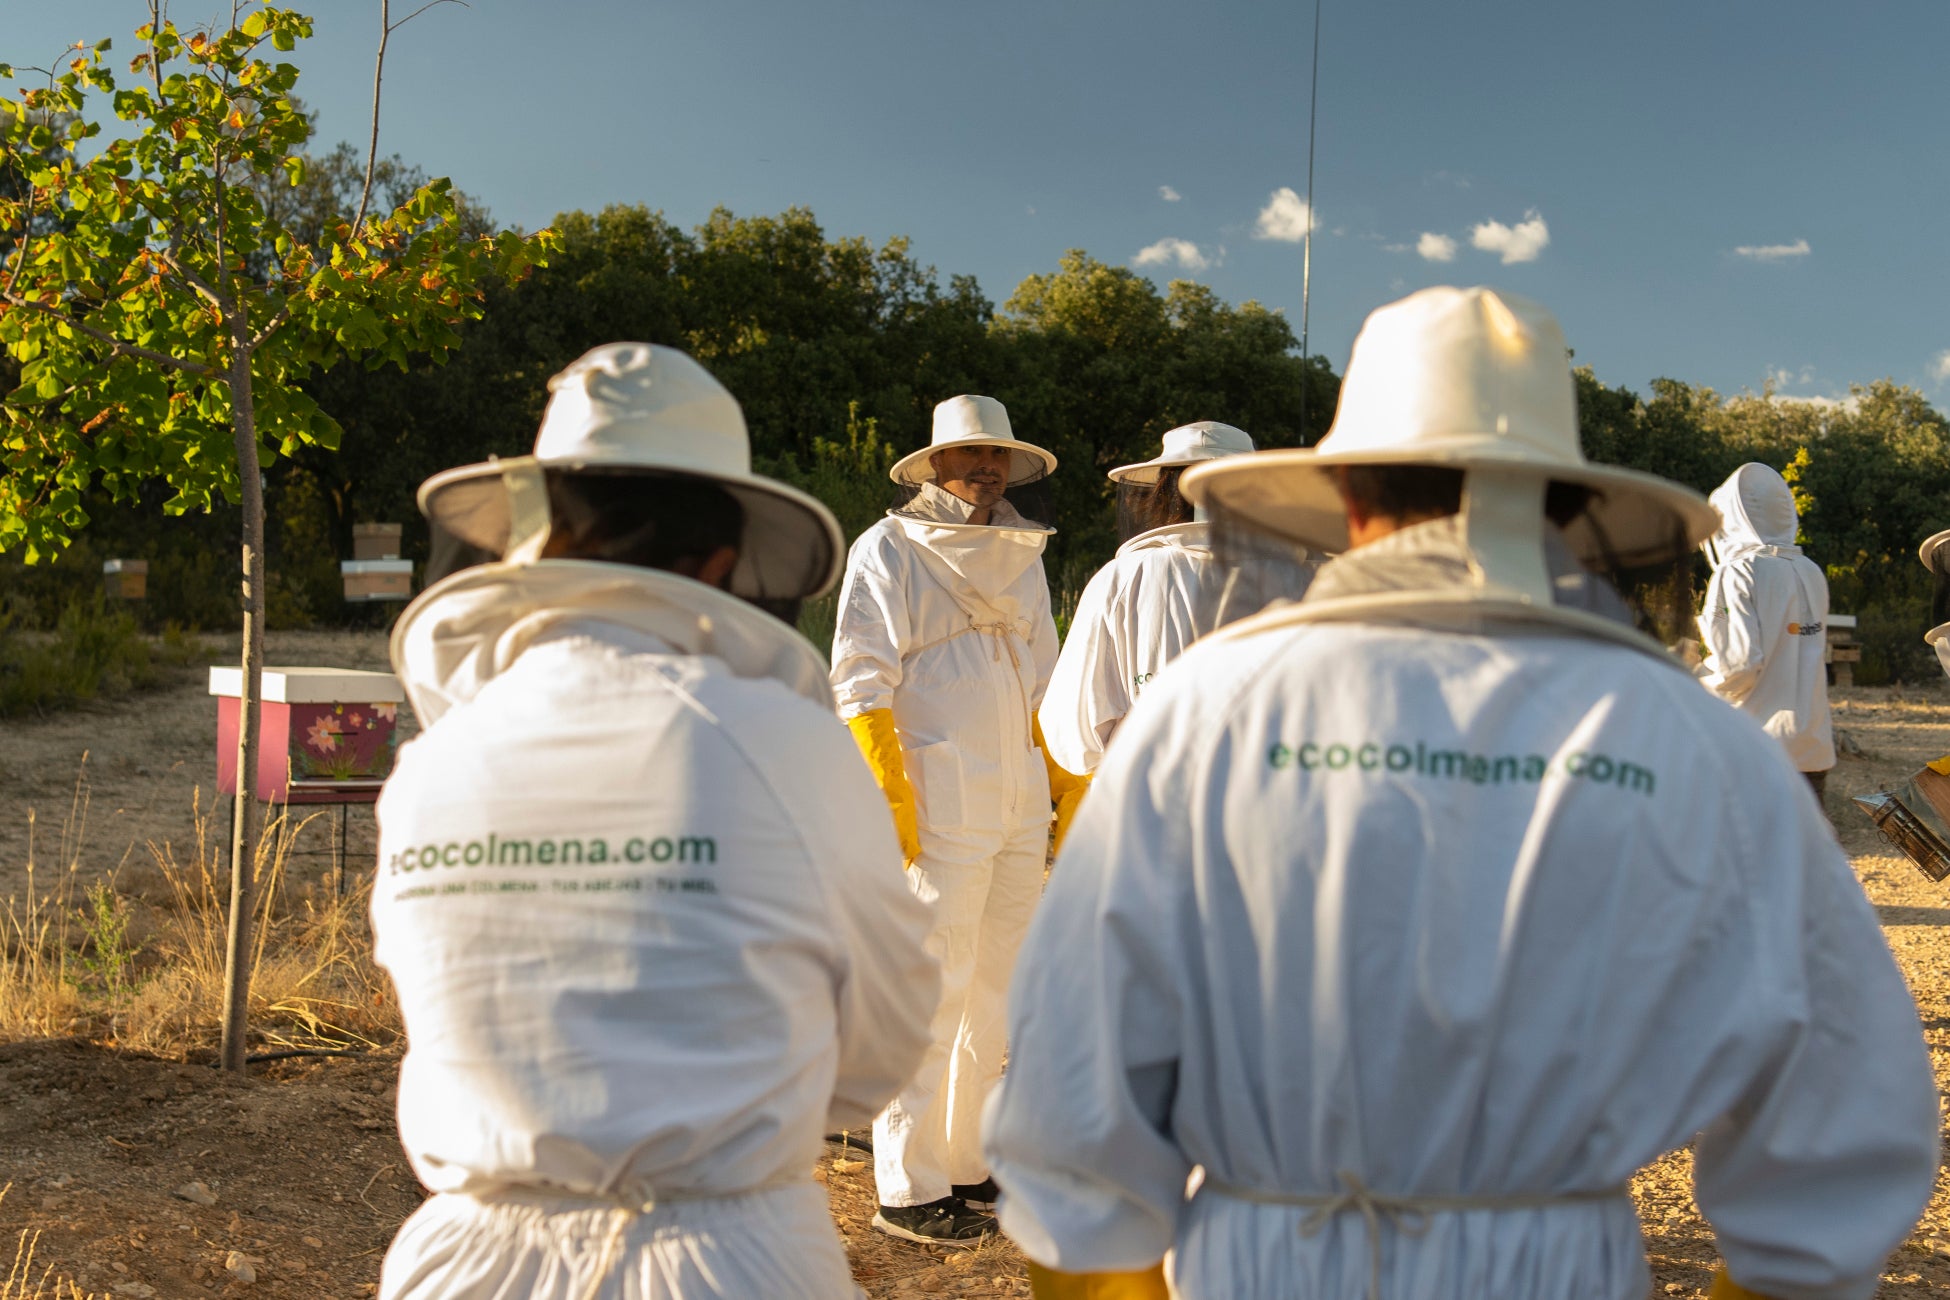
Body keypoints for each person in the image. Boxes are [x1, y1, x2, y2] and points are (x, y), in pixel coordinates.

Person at [983, 287, 1939, 1300]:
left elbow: (1075, 1085)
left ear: (1351, 497)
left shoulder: (1203, 711)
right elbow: (1842, 1111)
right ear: (1563, 507)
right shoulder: (1699, 742)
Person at [371, 343, 938, 1299]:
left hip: (464, 1264)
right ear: (720, 560)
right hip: (729, 1260)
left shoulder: (432, 763)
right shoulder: (783, 745)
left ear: (537, 538)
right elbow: (882, 1045)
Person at [831, 393, 1075, 1244]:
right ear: (934, 464)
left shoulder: (1024, 552)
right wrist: (888, 797)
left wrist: (1059, 784)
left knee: (996, 993)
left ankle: (967, 1164)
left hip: (1016, 803)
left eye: (997, 455)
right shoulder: (887, 547)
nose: (986, 468)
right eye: (971, 454)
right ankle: (907, 1187)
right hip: (937, 802)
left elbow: (1045, 682)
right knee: (930, 991)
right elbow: (859, 678)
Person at [1038, 421, 1259, 786]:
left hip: (1149, 797)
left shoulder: (1121, 579)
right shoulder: (1298, 577)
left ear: (1165, 489)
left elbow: (1073, 731)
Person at [1698, 462, 1837, 801]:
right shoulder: (1811, 571)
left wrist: (1692, 681)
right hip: (1812, 748)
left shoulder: (1736, 573)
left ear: (1728, 517)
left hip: (1754, 750)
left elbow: (1738, 667)